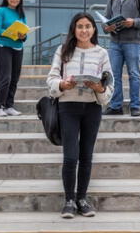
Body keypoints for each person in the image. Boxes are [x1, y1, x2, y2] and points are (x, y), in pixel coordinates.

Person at [47, 12, 114, 219]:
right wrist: (62, 84)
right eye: (80, 26)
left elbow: (110, 84)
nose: (84, 30)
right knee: (70, 156)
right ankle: (68, 200)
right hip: (68, 107)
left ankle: (82, 199)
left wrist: (100, 88)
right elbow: (51, 79)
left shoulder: (102, 53)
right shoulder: (63, 51)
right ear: (74, 30)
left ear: (94, 29)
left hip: (92, 108)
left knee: (86, 156)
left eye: (88, 26)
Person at [0, 0, 27, 117]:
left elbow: (24, 32)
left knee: (14, 78)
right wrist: (11, 33)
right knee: (5, 77)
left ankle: (9, 106)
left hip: (18, 47)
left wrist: (23, 36)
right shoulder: (0, 11)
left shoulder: (21, 13)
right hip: (3, 47)